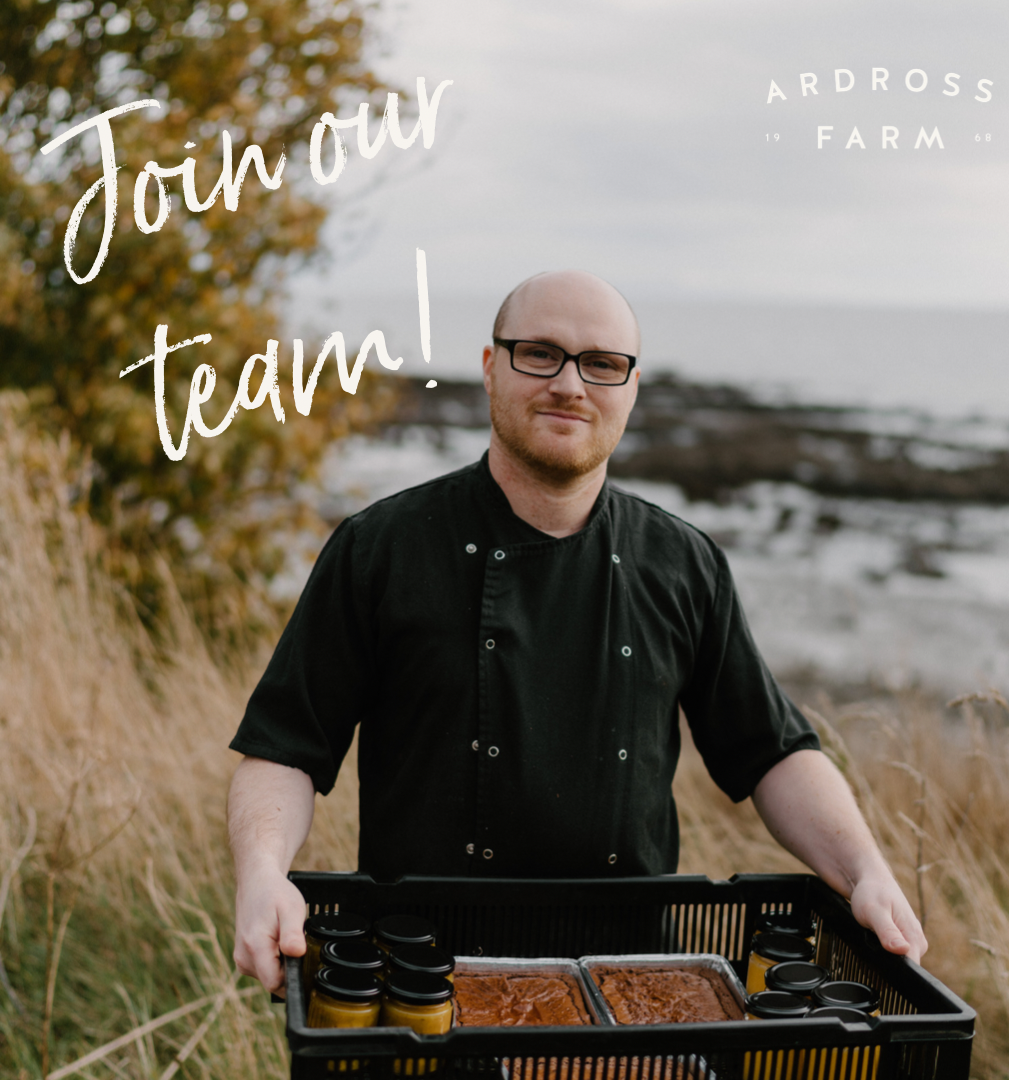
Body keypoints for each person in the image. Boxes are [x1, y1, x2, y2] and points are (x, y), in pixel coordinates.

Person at [228, 270, 928, 995]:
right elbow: (285, 749)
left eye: (602, 364)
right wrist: (262, 875)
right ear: (491, 366)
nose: (571, 384)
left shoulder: (682, 562)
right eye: (540, 353)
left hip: (627, 993)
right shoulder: (382, 549)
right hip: (422, 987)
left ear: (630, 389)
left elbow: (773, 753)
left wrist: (865, 873)